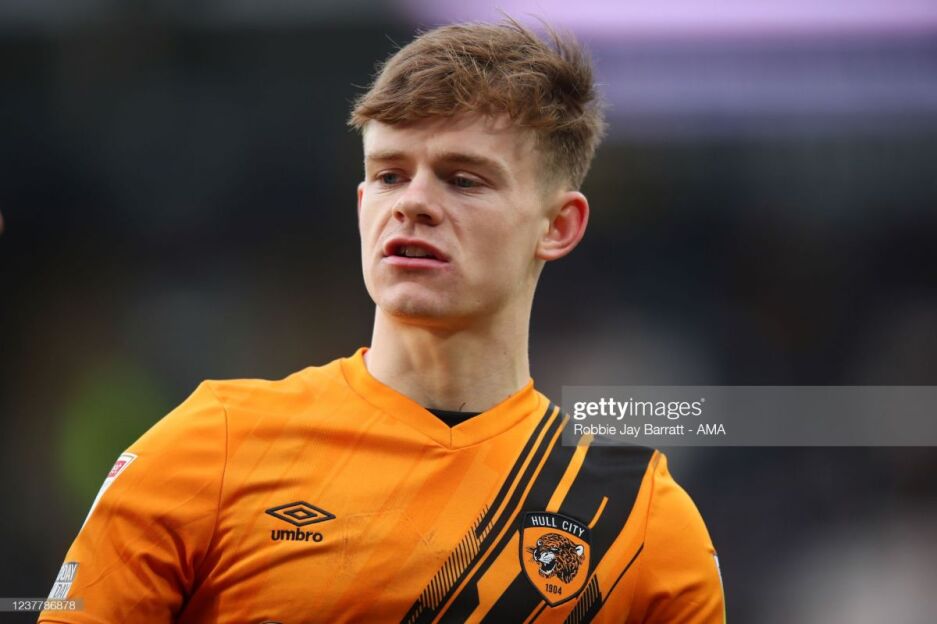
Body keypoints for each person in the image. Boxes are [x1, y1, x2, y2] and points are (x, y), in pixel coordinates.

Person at [40, 19, 724, 623]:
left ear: (558, 225)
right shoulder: (209, 448)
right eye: (391, 175)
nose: (413, 203)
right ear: (362, 201)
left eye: (463, 179)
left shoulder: (637, 520)